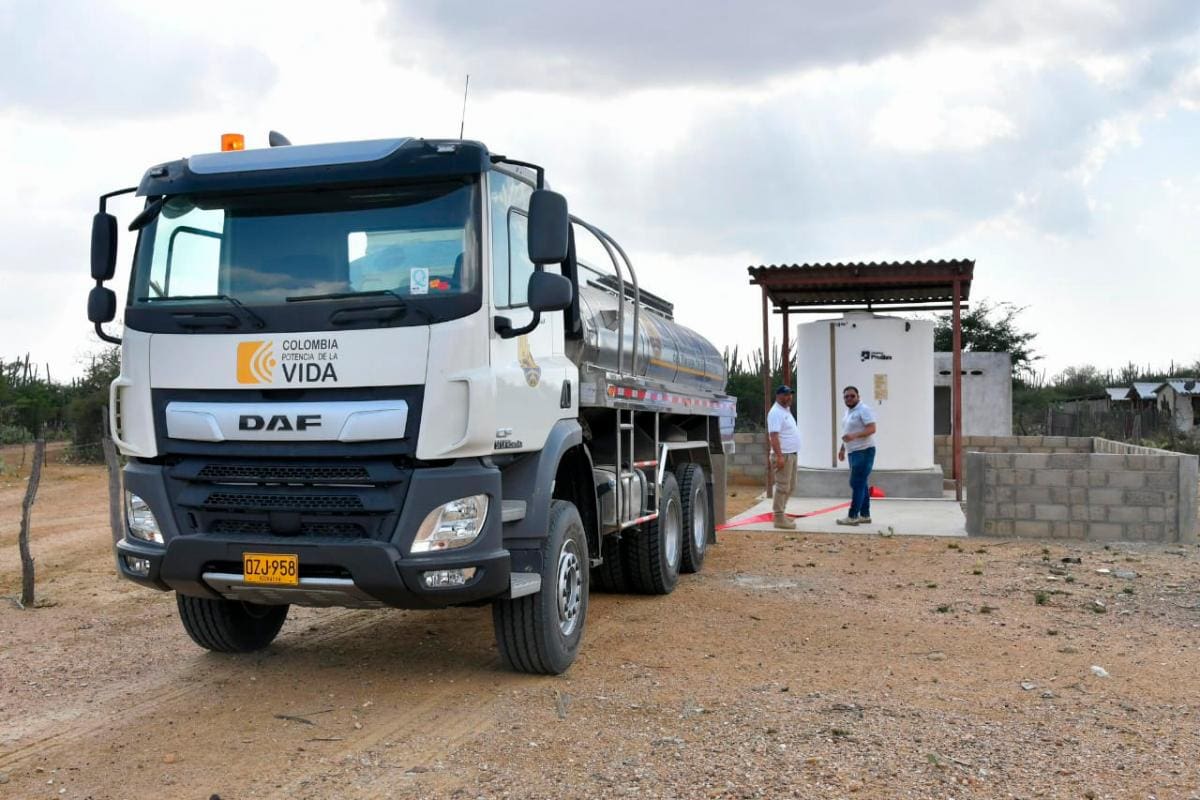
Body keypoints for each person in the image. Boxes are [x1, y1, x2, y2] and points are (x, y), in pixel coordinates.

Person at [837, 385, 877, 525]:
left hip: (864, 451)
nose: (849, 398)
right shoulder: (848, 412)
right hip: (852, 452)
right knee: (862, 483)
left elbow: (872, 428)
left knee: (856, 483)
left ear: (858, 396)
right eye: (846, 396)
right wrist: (842, 449)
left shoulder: (863, 409)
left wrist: (854, 436)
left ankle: (853, 516)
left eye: (852, 396)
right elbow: (846, 432)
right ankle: (865, 515)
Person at [767, 385, 800, 529]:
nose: (789, 397)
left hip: (791, 454)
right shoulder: (775, 412)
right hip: (783, 455)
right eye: (785, 395)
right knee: (782, 487)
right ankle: (778, 517)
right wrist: (779, 456)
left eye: (790, 394)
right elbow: (773, 436)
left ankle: (781, 513)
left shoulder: (785, 410)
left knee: (791, 486)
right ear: (778, 396)